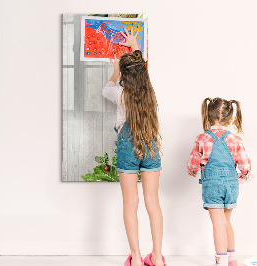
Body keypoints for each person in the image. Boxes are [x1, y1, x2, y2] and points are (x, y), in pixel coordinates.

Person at [102, 28, 165, 266]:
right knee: (153, 202)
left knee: (131, 203)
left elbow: (105, 89)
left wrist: (115, 70)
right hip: (150, 146)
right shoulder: (150, 93)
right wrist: (136, 46)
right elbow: (142, 72)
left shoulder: (120, 95)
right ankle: (157, 257)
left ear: (125, 77)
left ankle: (137, 258)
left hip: (128, 147)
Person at [187, 98, 252, 266]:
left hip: (212, 186)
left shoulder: (202, 138)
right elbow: (245, 165)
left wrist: (192, 171)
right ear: (230, 120)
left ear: (208, 117)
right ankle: (232, 260)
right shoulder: (235, 139)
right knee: (226, 222)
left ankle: (221, 261)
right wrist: (244, 176)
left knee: (218, 224)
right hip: (231, 185)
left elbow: (192, 164)